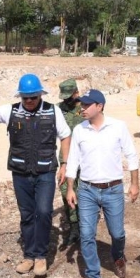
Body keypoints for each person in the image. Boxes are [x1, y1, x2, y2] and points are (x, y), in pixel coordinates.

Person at [0, 73, 71, 278]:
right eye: (25, 97)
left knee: (43, 212)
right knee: (27, 215)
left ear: (39, 95)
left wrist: (64, 163)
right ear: (20, 96)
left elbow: (65, 135)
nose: (28, 101)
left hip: (45, 172)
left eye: (32, 97)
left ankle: (41, 256)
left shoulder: (53, 112)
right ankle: (29, 256)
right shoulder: (11, 111)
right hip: (20, 173)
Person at [65, 89, 139, 278]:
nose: (83, 108)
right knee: (87, 234)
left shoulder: (118, 127)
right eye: (82, 104)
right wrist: (70, 188)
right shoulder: (80, 130)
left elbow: (131, 155)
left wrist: (134, 184)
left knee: (117, 232)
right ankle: (94, 276)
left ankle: (118, 256)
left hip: (113, 189)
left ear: (100, 106)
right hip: (87, 190)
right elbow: (73, 161)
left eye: (87, 105)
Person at [57, 78, 83, 248]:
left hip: (86, 157)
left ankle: (85, 226)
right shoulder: (58, 109)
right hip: (66, 157)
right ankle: (74, 227)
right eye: (64, 97)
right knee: (67, 191)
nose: (66, 100)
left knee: (85, 193)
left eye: (69, 96)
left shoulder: (86, 107)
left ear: (76, 92)